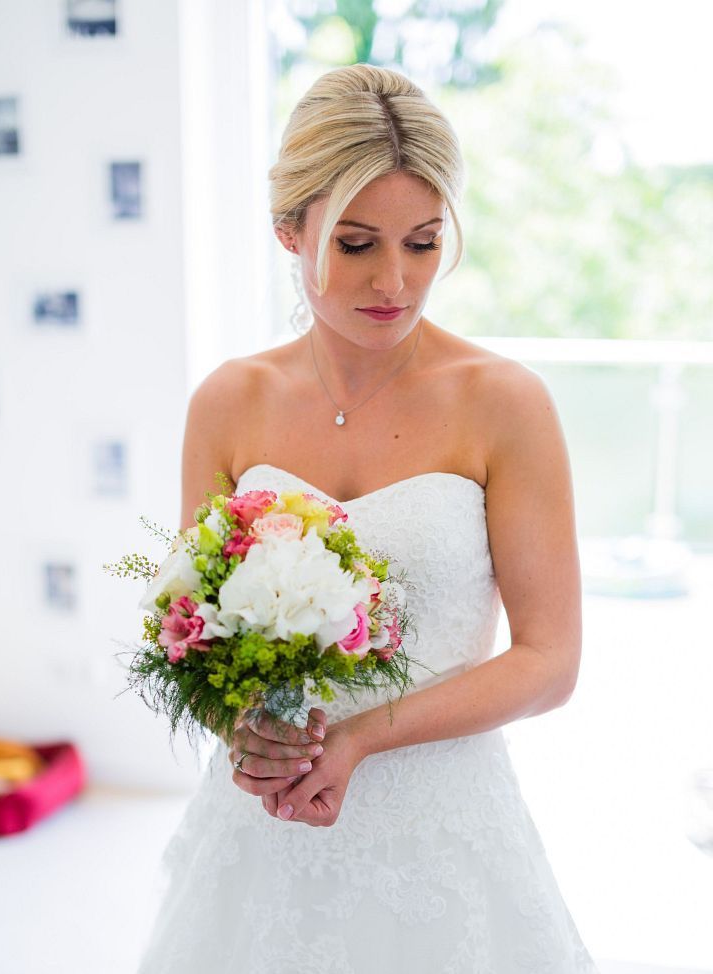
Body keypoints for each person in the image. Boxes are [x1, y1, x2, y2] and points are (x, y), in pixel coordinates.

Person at [137, 63, 599, 972]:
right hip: (262, 825)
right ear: (289, 230)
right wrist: (247, 731)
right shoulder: (228, 402)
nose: (396, 280)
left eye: (423, 242)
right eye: (355, 244)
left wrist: (358, 740)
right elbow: (193, 629)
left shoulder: (503, 404)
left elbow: (551, 663)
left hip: (444, 830)